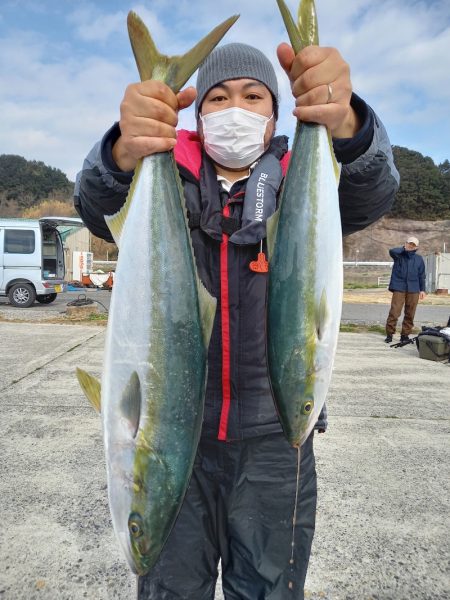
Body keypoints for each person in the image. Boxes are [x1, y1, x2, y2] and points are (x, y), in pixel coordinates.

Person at [75, 36, 399, 599]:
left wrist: (346, 120)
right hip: (178, 442)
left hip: (276, 444)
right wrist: (121, 152)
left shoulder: (305, 178)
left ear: (275, 112)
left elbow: (374, 189)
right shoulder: (164, 174)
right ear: (197, 116)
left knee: (269, 591)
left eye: (253, 96)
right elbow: (96, 207)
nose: (236, 110)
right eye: (218, 99)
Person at [384, 236, 426, 343]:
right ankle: (389, 334)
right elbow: (392, 251)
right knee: (394, 312)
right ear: (405, 243)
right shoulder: (398, 255)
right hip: (399, 287)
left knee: (410, 313)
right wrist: (404, 248)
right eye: (409, 243)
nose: (411, 246)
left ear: (417, 247)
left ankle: (405, 335)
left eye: (413, 245)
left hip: (414, 289)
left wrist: (422, 290)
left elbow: (422, 276)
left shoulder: (419, 259)